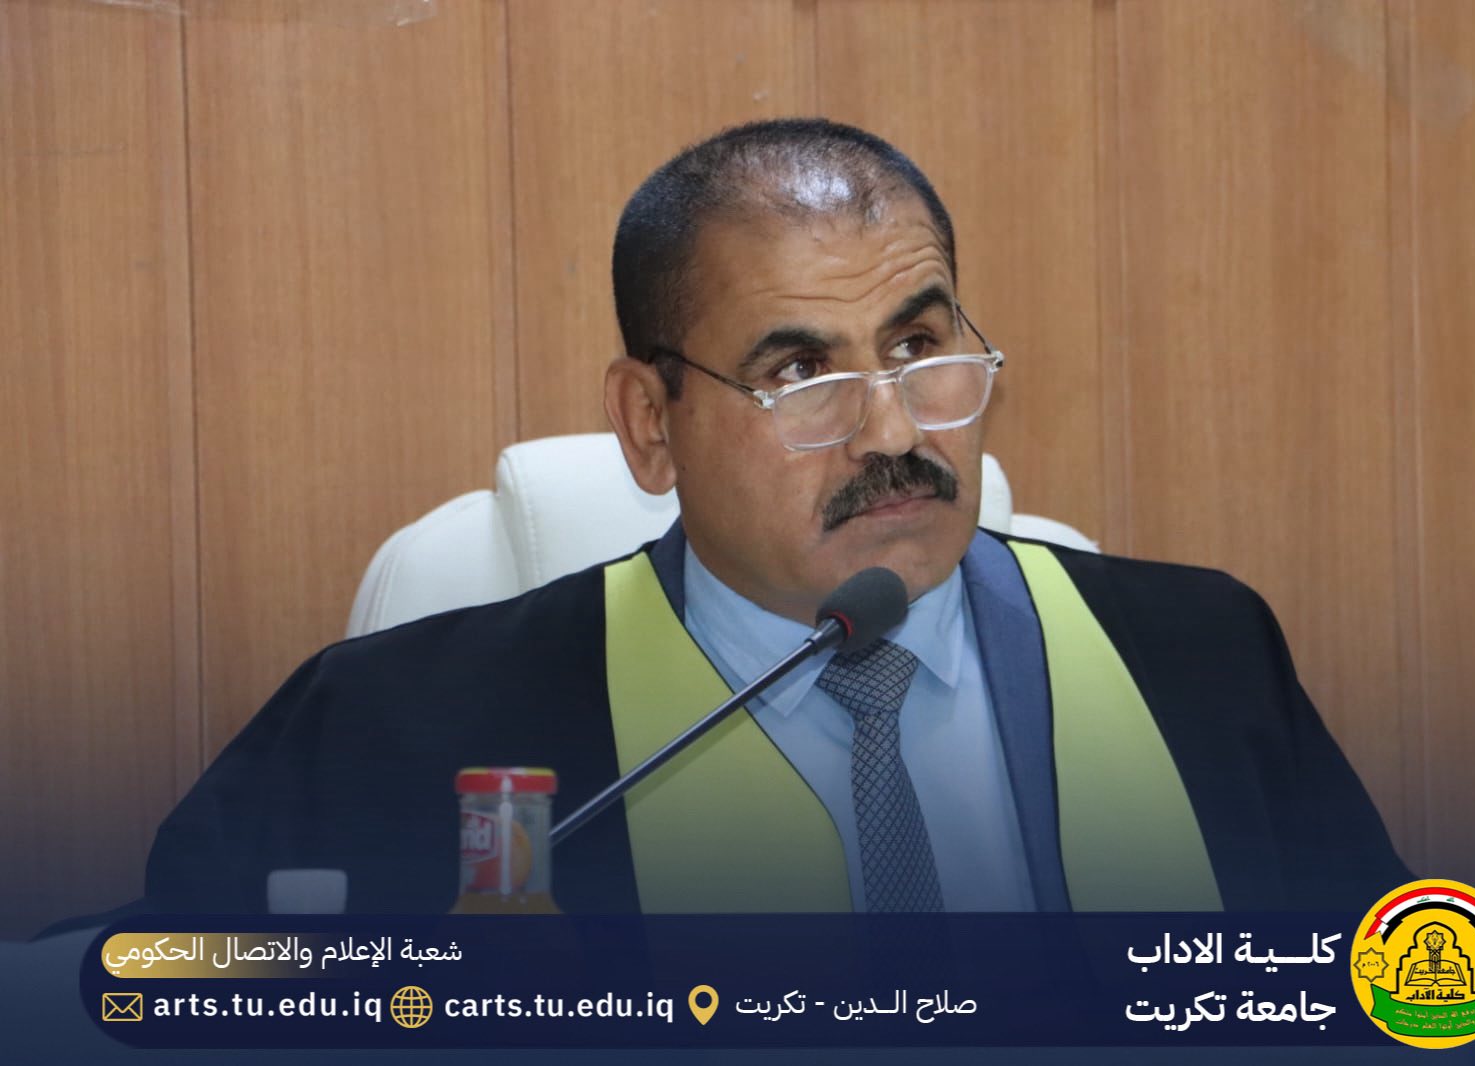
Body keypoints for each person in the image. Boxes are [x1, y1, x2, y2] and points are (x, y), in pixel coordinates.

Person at [145, 119, 1407, 916]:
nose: (894, 431)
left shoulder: (1200, 658)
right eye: (802, 372)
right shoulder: (407, 724)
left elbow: (1407, 994)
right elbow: (152, 982)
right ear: (651, 421)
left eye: (918, 345)